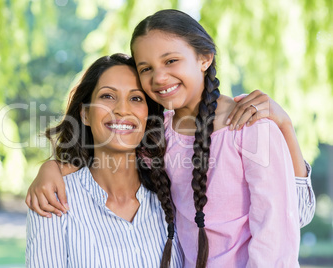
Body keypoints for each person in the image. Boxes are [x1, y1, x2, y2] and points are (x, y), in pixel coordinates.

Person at [27, 10, 315, 267]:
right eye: (146, 69)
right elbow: (105, 155)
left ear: (204, 58)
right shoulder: (158, 132)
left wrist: (285, 127)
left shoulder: (249, 125)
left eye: (171, 61)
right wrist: (50, 168)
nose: (160, 77)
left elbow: (287, 220)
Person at [26, 54, 184, 267]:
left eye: (136, 98)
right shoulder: (55, 200)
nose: (122, 109)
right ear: (85, 114)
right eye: (108, 96)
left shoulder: (175, 195)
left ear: (149, 117)